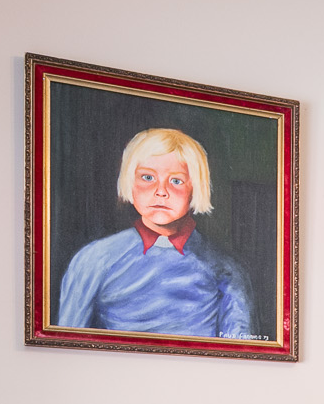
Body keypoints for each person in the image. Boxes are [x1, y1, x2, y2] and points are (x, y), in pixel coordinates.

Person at [56, 128, 256, 338]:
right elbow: (66, 342)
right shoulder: (94, 260)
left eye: (176, 181)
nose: (161, 191)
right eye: (148, 177)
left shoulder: (226, 270)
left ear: (196, 188)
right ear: (130, 182)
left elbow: (240, 346)